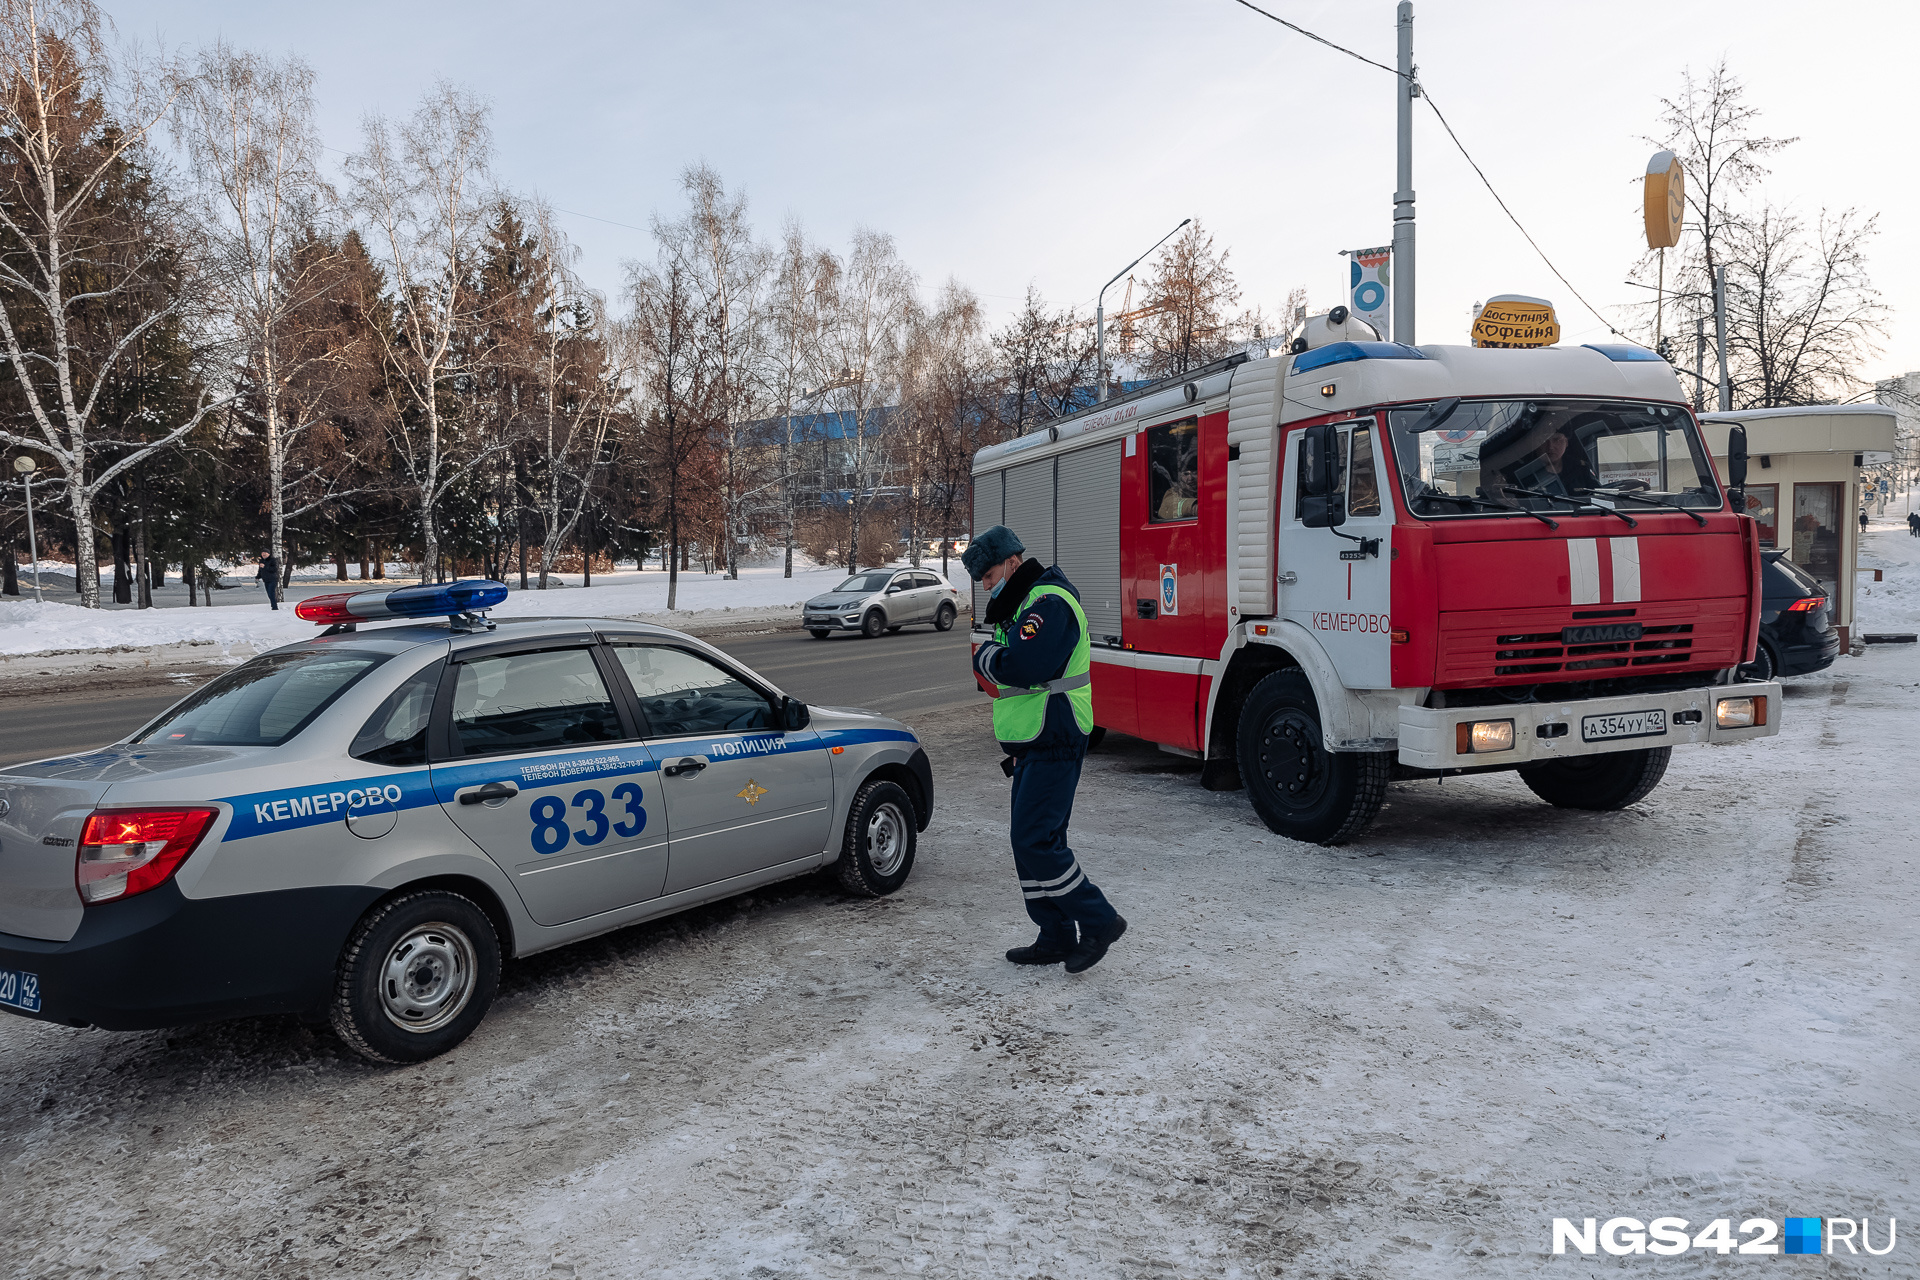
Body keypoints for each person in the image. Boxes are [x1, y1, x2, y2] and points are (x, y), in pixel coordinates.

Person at [963, 525, 1126, 974]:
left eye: (992, 575)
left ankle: (1100, 920)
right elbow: (1007, 663)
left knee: (1036, 841)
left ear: (1014, 562)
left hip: (1056, 736)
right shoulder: (1020, 608)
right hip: (1034, 741)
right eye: (983, 580)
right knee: (1031, 842)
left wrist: (988, 659)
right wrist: (995, 659)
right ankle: (1054, 934)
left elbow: (1024, 664)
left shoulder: (1048, 602)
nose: (988, 585)